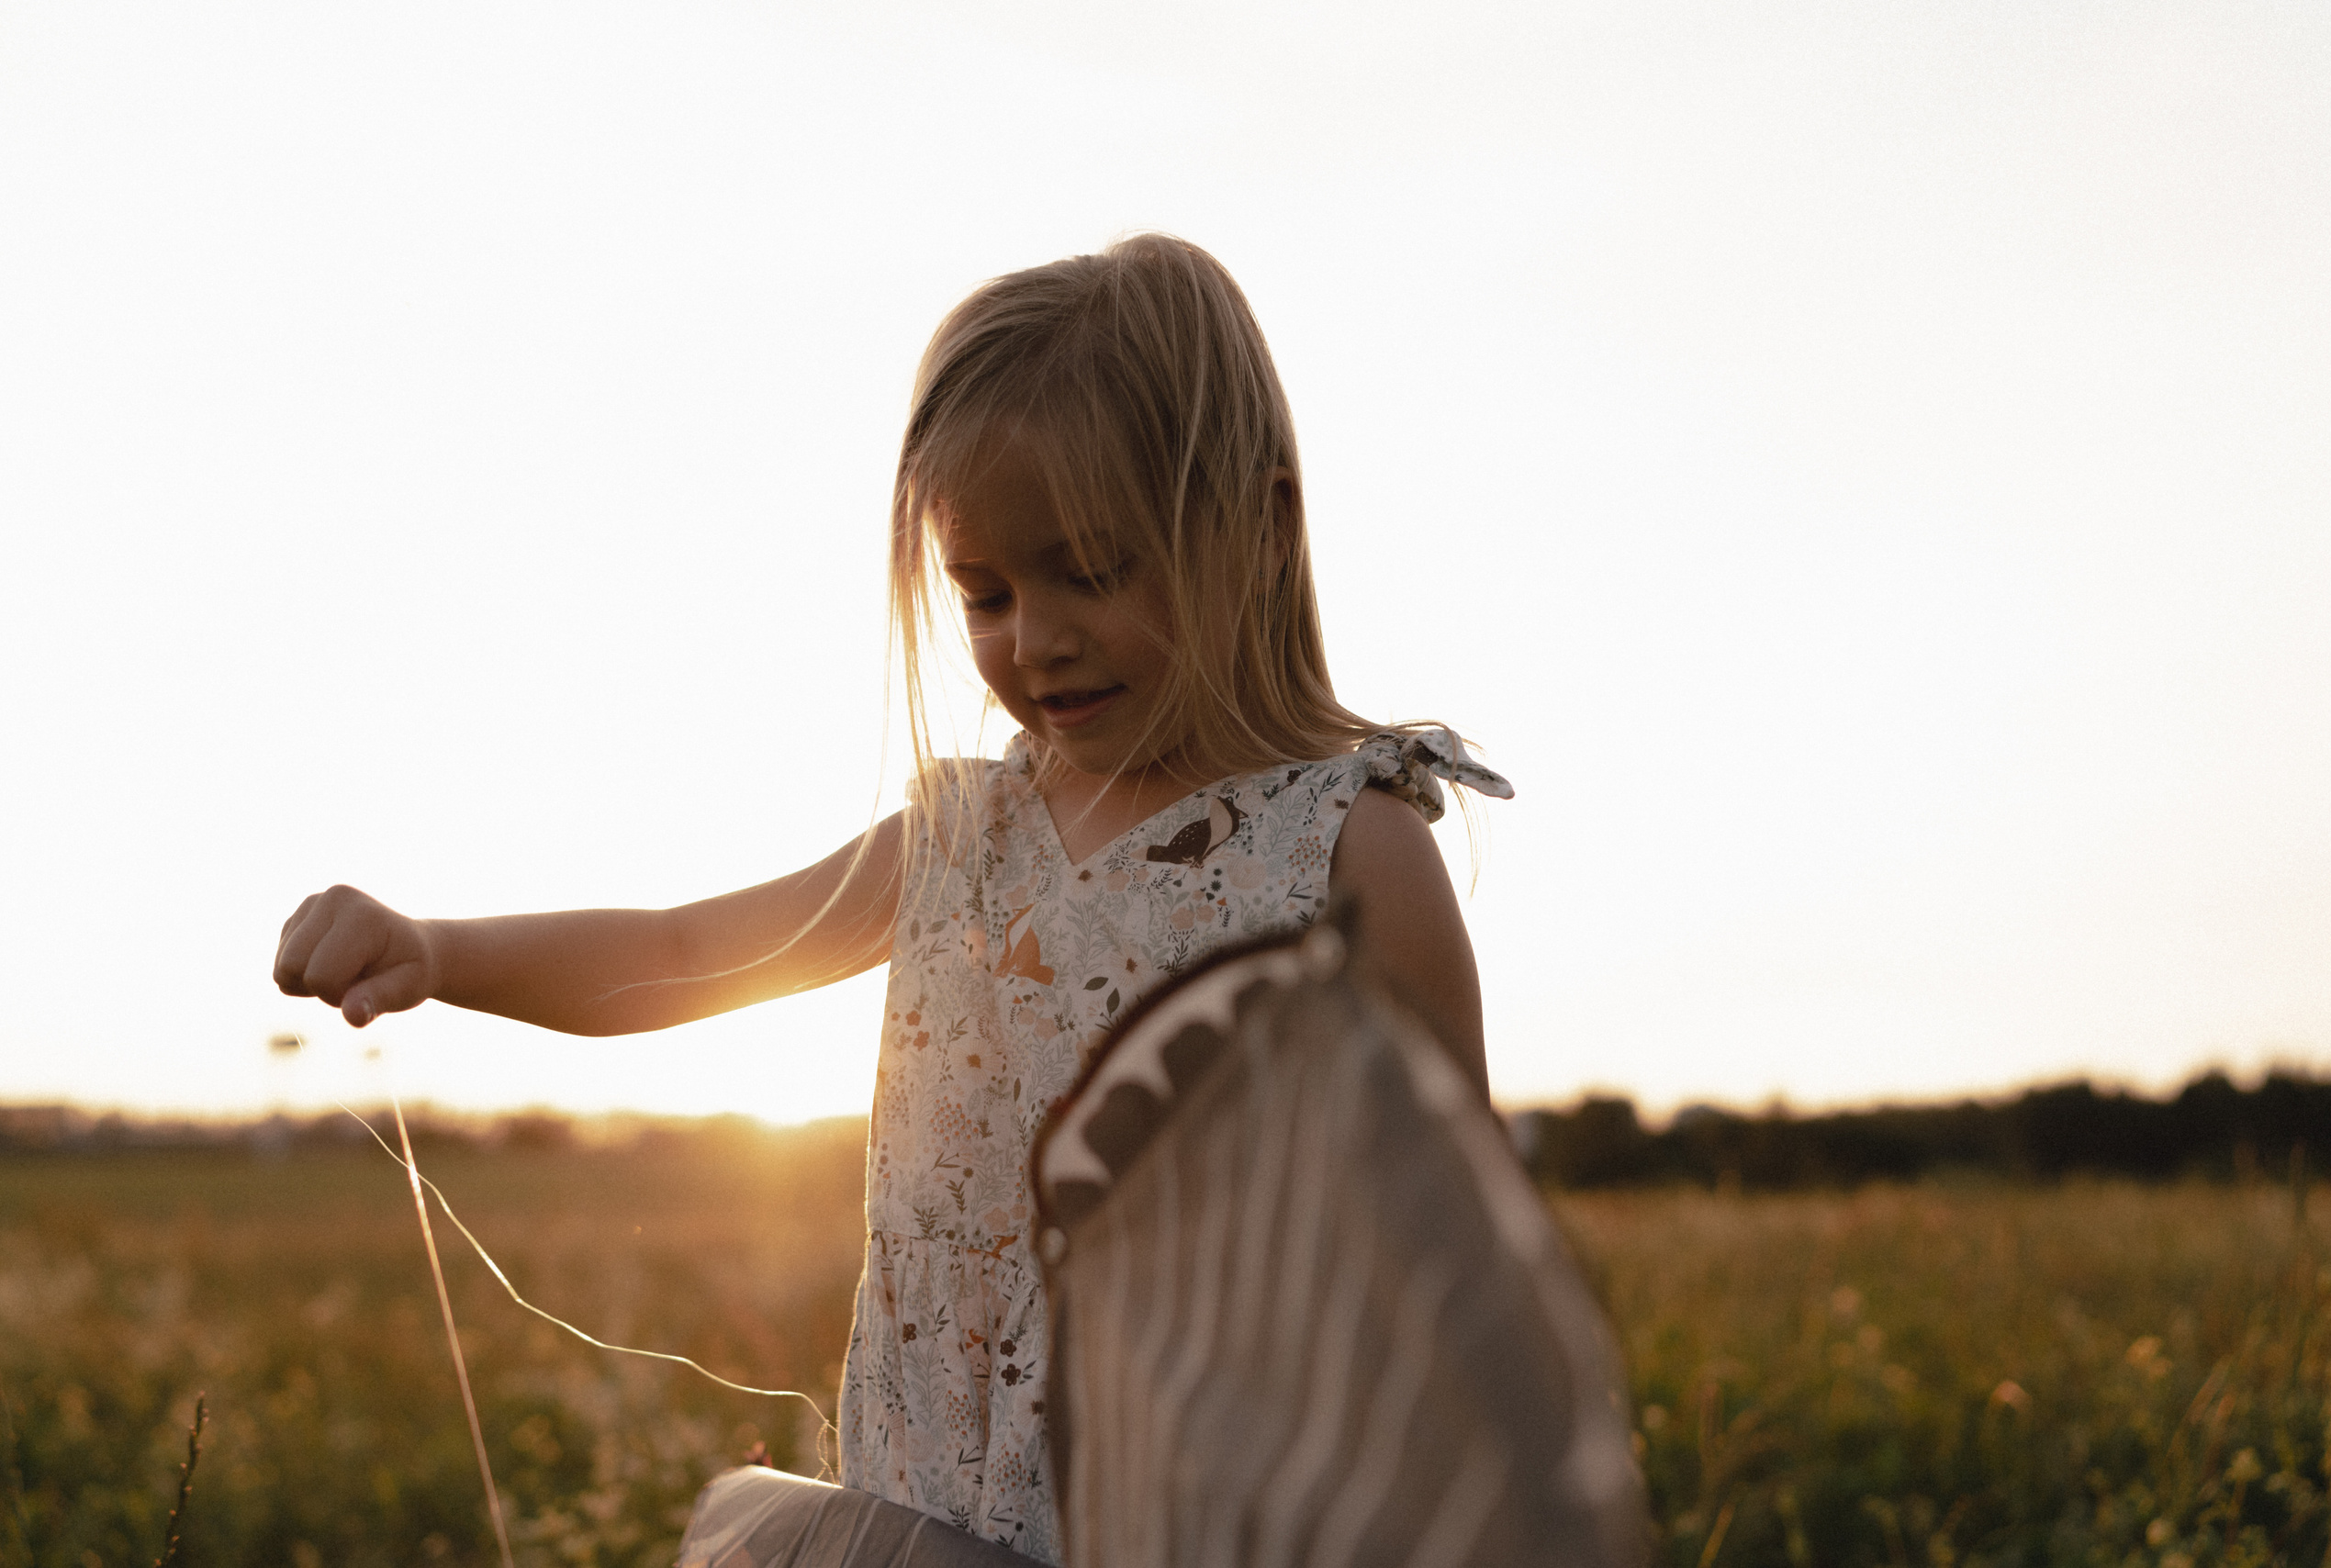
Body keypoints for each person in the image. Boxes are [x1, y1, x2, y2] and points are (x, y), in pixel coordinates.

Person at [272, 233, 1511, 1563]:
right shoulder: (960, 842)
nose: (1033, 637)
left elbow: (1458, 1252)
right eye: (986, 592)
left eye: (1093, 570)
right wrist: (442, 950)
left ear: (1259, 530)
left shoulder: (1344, 850)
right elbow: (687, 952)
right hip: (925, 1518)